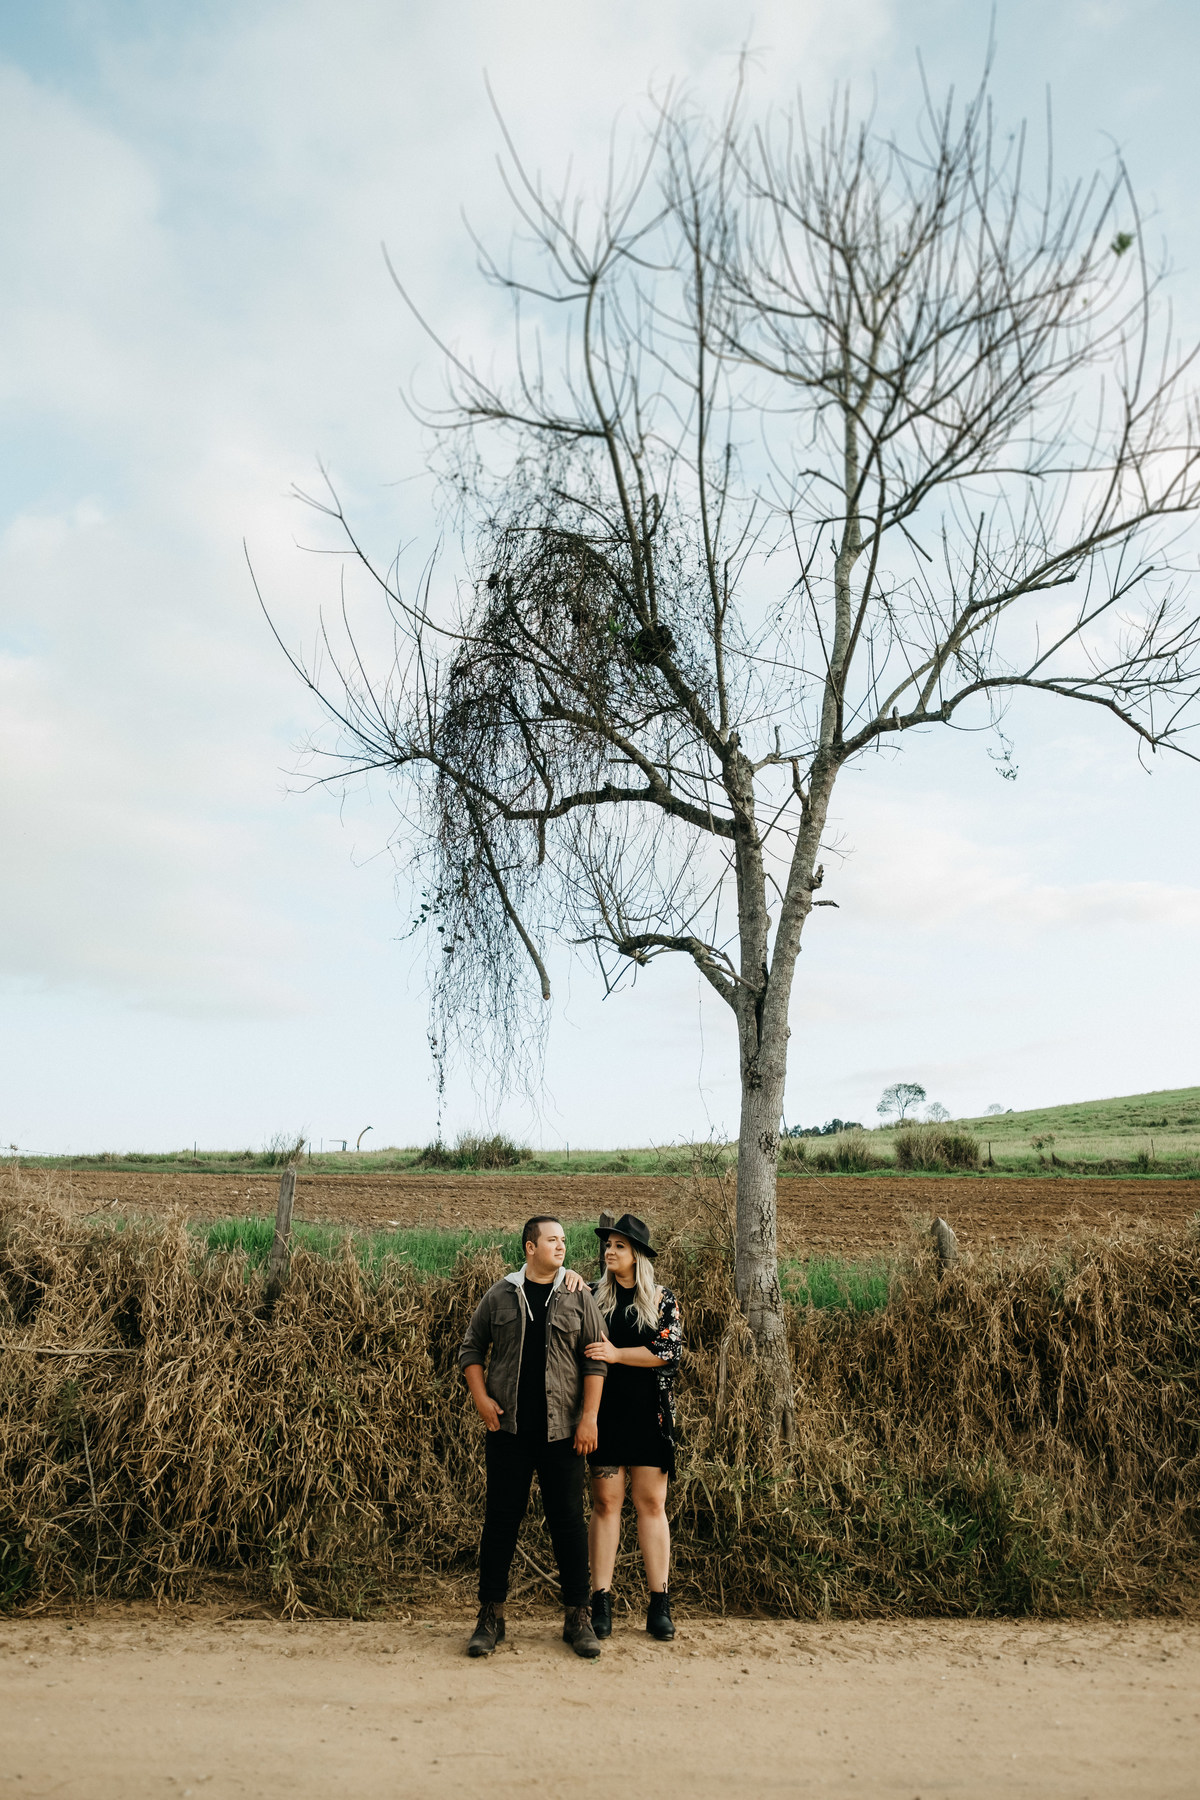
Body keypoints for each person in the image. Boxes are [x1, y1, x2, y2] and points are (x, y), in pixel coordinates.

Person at [458, 1215, 609, 1659]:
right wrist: (482, 1399)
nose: (561, 1246)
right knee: (501, 1520)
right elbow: (471, 1348)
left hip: (564, 1431)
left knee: (567, 1522)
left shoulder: (578, 1296)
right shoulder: (501, 1294)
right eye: (552, 1240)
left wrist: (589, 1418)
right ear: (530, 1247)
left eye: (564, 1240)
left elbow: (596, 1361)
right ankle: (491, 1616)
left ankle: (578, 1617)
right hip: (509, 1430)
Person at [584, 1213, 683, 1642]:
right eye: (607, 1244)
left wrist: (617, 1354)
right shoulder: (591, 1295)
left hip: (650, 1416)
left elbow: (669, 1350)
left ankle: (659, 1604)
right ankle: (599, 1600)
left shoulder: (661, 1298)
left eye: (619, 1246)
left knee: (651, 1505)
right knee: (606, 1503)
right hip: (603, 1413)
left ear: (637, 1255)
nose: (610, 1250)